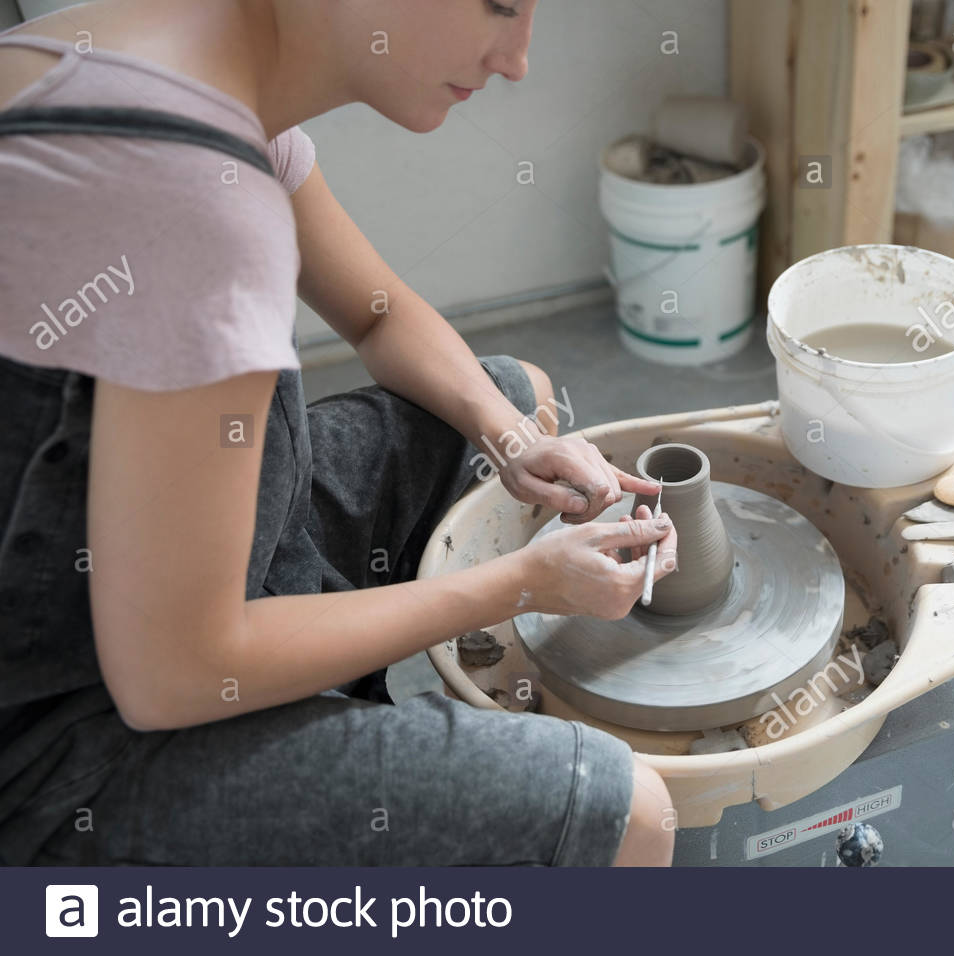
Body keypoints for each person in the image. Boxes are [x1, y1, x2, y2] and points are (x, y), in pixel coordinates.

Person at [0, 0, 680, 867]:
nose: (517, 60)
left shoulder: (180, 61)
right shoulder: (191, 205)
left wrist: (512, 439)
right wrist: (520, 585)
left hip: (184, 571)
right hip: (65, 744)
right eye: (499, 6)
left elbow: (377, 317)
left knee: (520, 397)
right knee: (629, 812)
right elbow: (177, 673)